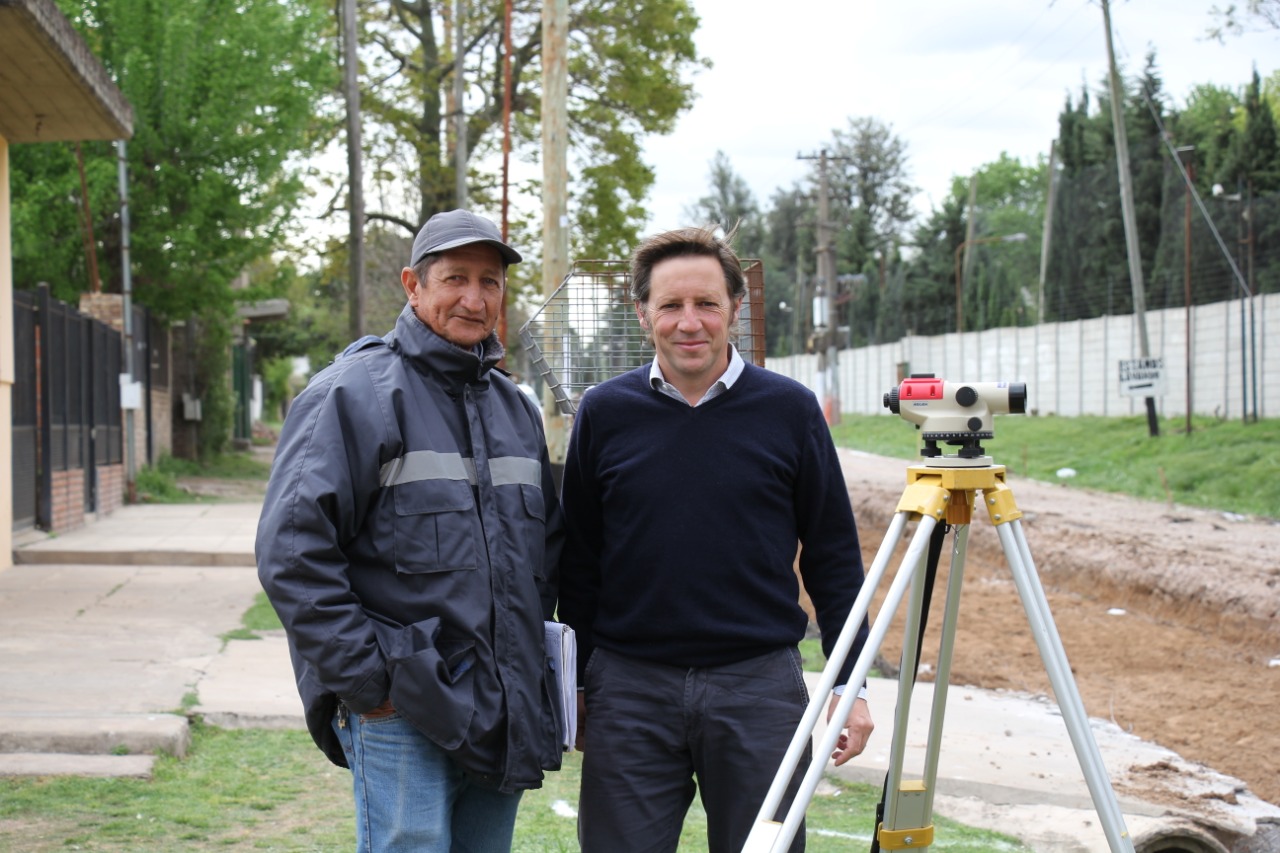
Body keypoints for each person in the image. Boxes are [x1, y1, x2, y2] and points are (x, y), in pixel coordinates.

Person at [557, 225, 874, 853]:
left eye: (706, 303)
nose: (689, 322)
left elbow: (834, 555)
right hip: (630, 690)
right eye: (671, 305)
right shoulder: (604, 413)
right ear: (643, 312)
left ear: (734, 307)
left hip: (759, 686)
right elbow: (580, 560)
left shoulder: (790, 410)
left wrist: (849, 684)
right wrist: (580, 684)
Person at [256, 209, 564, 853]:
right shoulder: (352, 395)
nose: (474, 299)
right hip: (402, 706)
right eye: (455, 278)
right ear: (412, 285)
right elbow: (292, 553)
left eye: (490, 282)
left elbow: (549, 555)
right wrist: (371, 685)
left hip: (499, 698)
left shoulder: (516, 411)